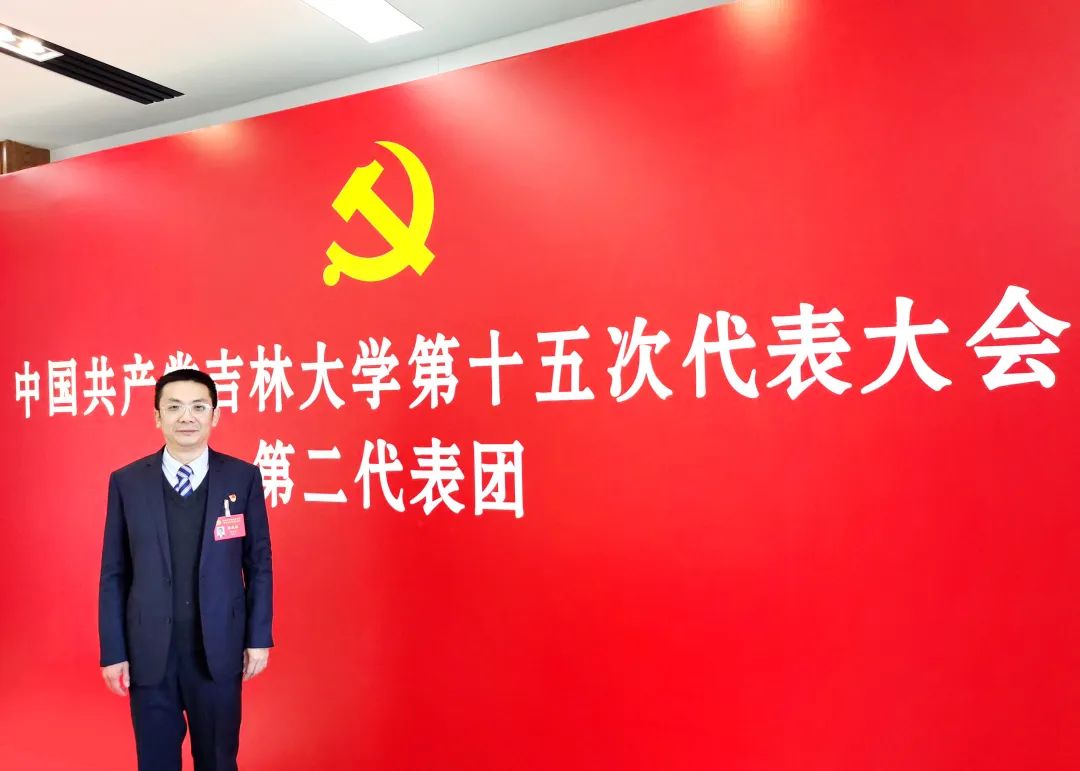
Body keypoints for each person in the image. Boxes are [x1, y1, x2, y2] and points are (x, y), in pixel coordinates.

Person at [98, 368, 273, 771]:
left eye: (198, 407)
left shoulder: (242, 477)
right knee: (155, 761)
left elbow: (259, 563)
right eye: (174, 407)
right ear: (157, 416)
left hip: (219, 648)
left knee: (218, 758)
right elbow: (114, 572)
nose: (187, 417)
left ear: (215, 414)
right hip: (150, 651)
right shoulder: (127, 482)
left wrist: (258, 637)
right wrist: (113, 650)